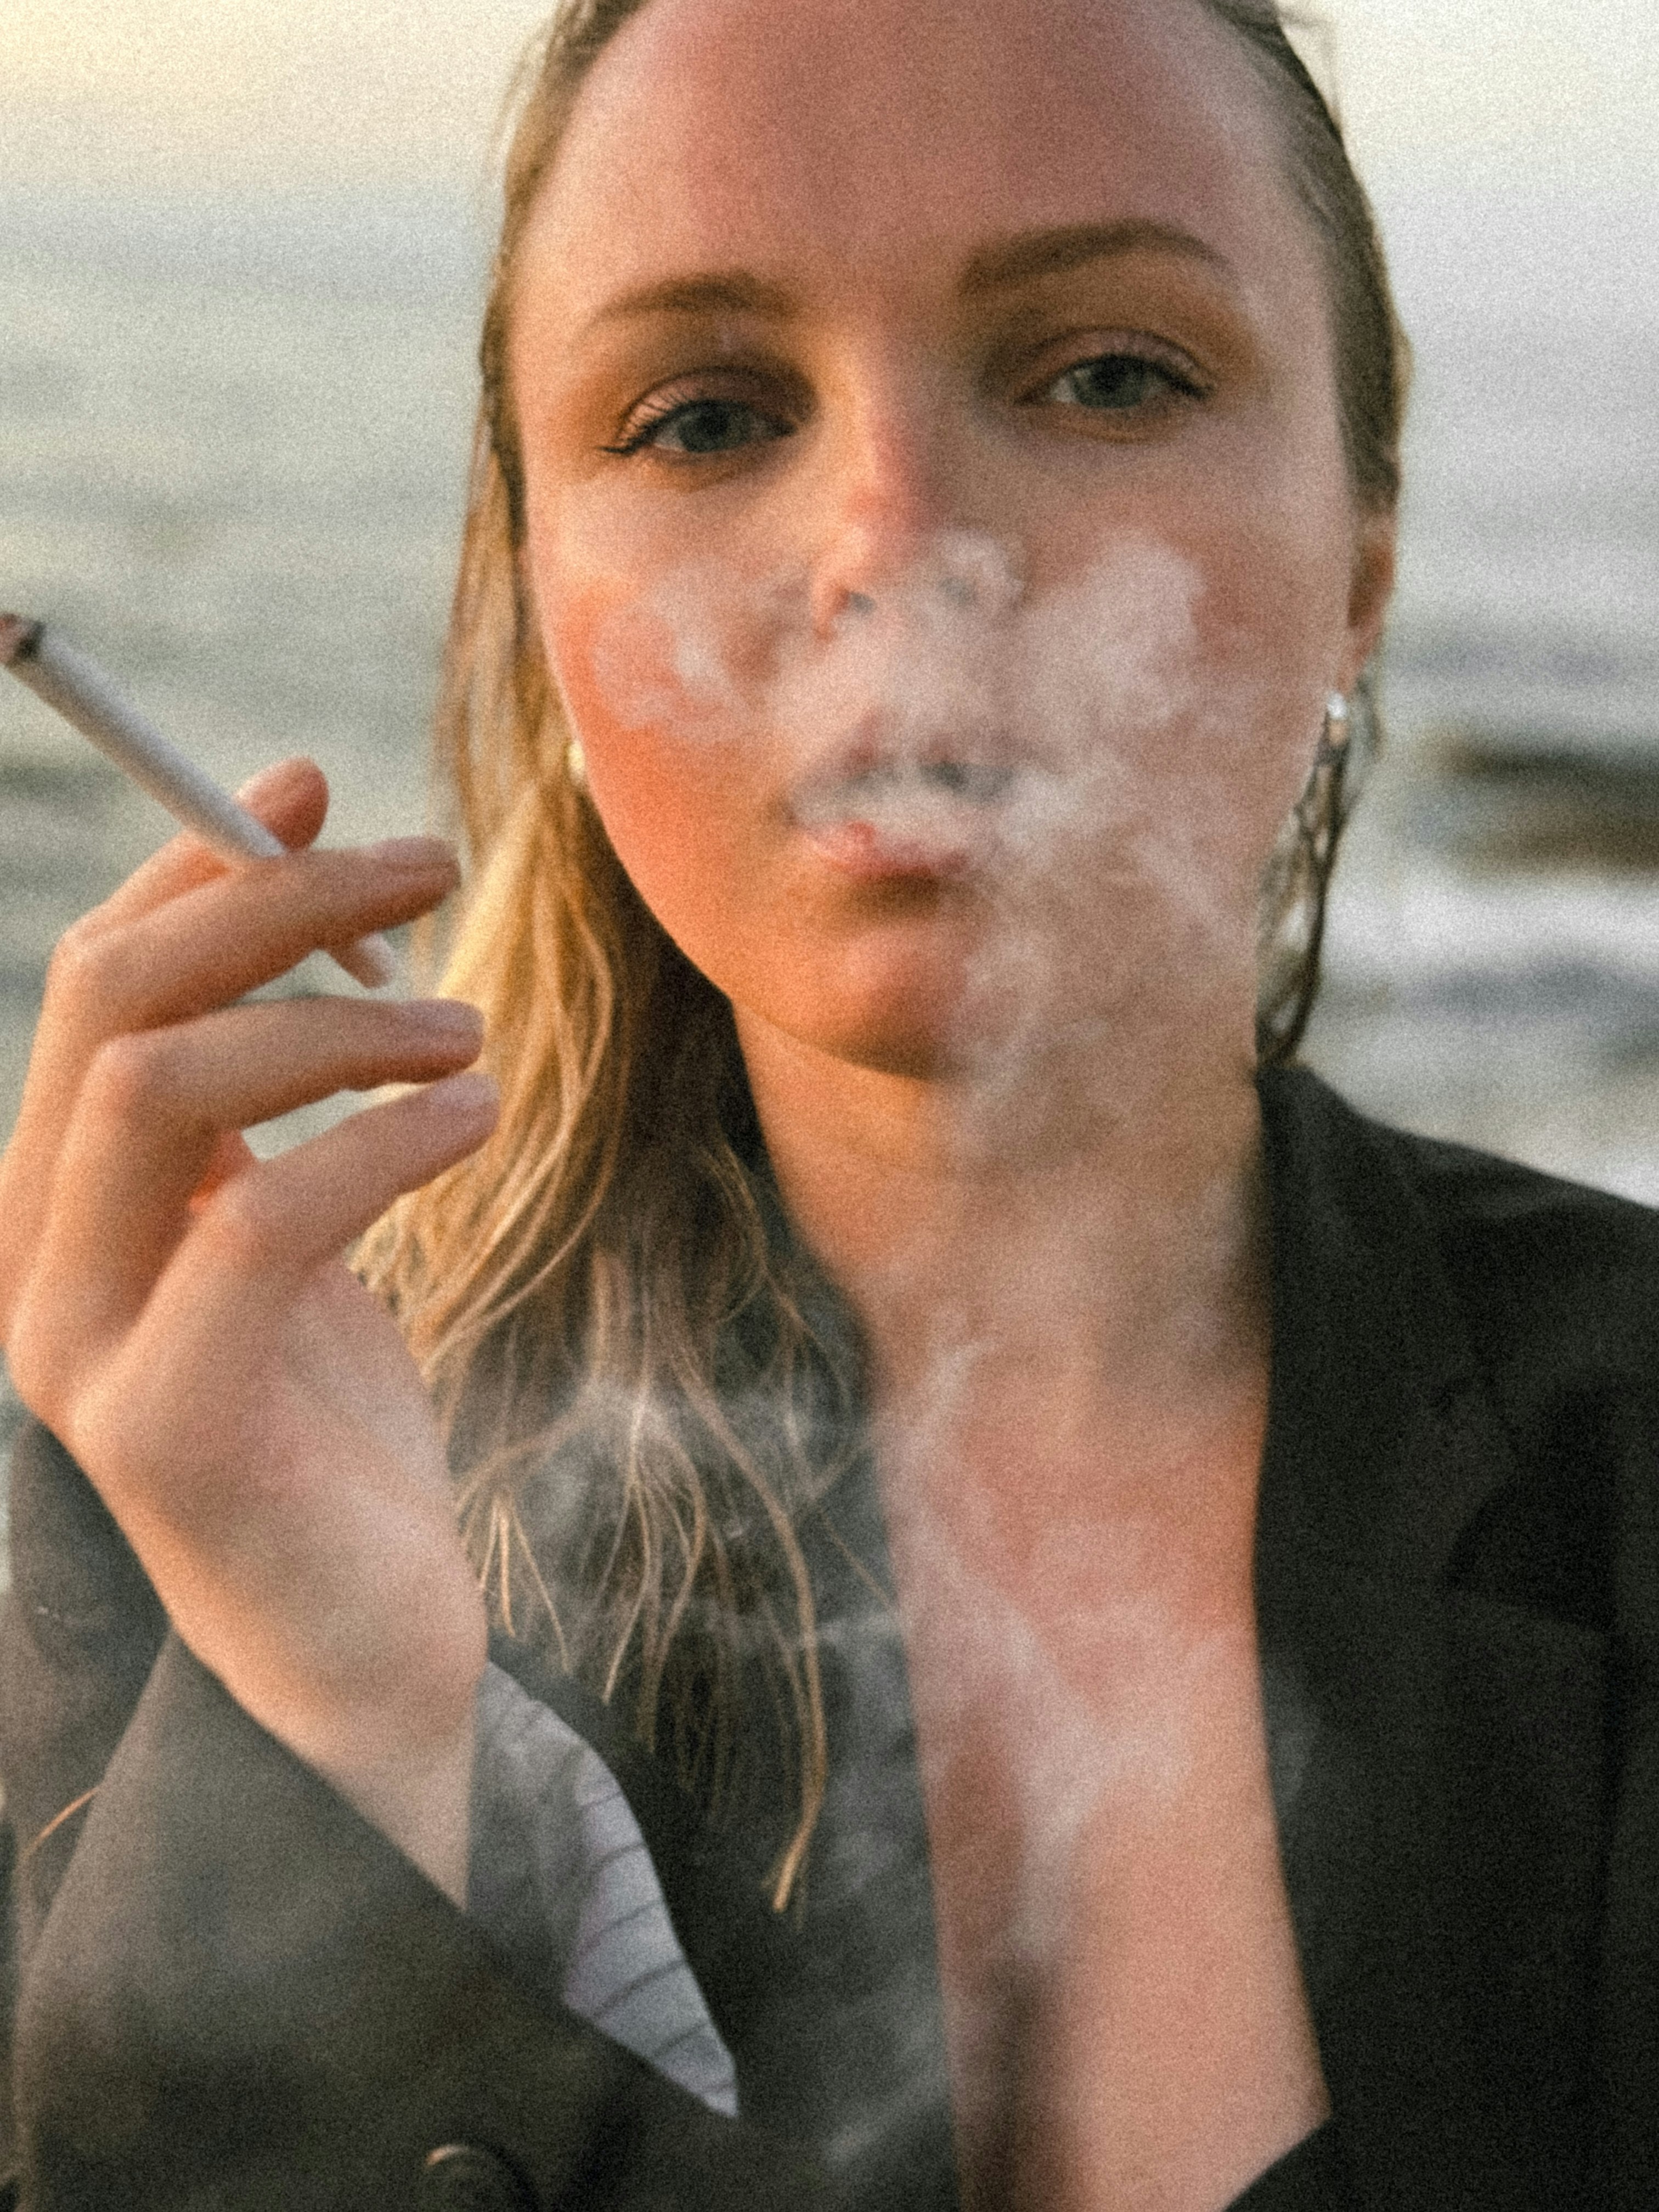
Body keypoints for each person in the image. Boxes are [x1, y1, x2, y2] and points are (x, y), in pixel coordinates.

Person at [2, 0, 1656, 2207]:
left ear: (1361, 558)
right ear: (545, 625)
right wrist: (351, 1739)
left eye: (1110, 372)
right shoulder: (164, 1535)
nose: (896, 539)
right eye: (703, 418)